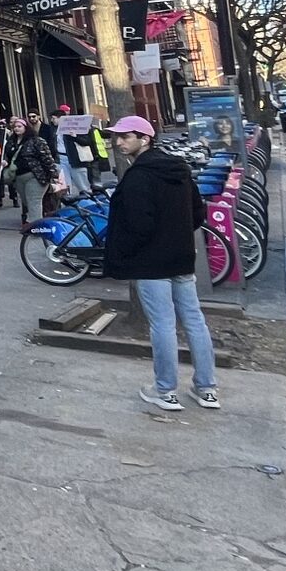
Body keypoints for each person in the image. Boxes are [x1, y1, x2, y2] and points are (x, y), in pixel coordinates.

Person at [103, 116, 220, 413]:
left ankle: (165, 391)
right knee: (194, 321)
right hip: (181, 258)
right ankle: (206, 389)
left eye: (125, 137)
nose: (118, 143)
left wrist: (126, 252)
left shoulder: (138, 177)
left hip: (150, 263)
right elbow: (197, 213)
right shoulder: (180, 170)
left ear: (144, 138)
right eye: (117, 137)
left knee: (163, 325)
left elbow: (138, 224)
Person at [9, 117, 60, 232]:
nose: (16, 129)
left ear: (26, 128)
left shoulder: (37, 140)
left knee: (34, 201)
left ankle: (37, 228)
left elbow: (47, 159)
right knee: (27, 202)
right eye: (15, 127)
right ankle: (35, 223)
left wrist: (54, 175)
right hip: (18, 177)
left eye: (19, 126)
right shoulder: (11, 142)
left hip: (36, 176)